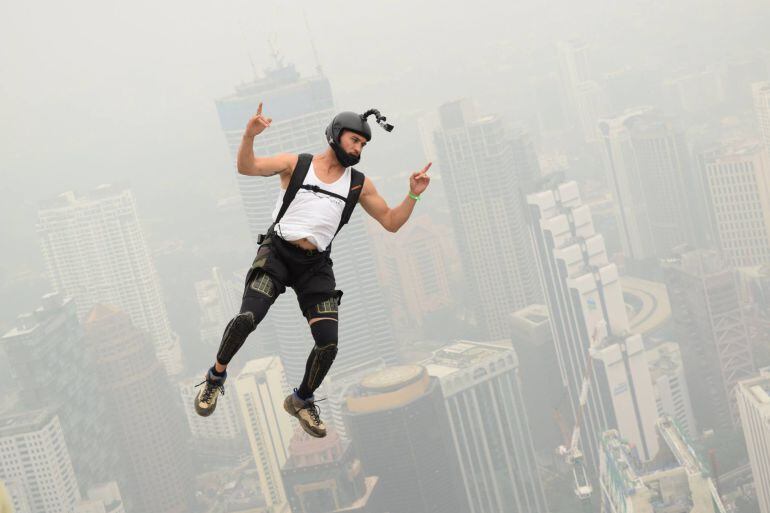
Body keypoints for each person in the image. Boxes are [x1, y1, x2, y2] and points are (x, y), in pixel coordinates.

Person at [194, 102, 431, 438]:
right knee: (248, 318)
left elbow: (391, 222)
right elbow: (247, 167)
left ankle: (301, 400)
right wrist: (249, 135)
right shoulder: (297, 164)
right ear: (336, 135)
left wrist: (413, 195)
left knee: (327, 345)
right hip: (277, 252)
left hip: (315, 265)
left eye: (363, 145)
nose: (358, 148)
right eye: (354, 140)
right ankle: (215, 377)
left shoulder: (358, 185)